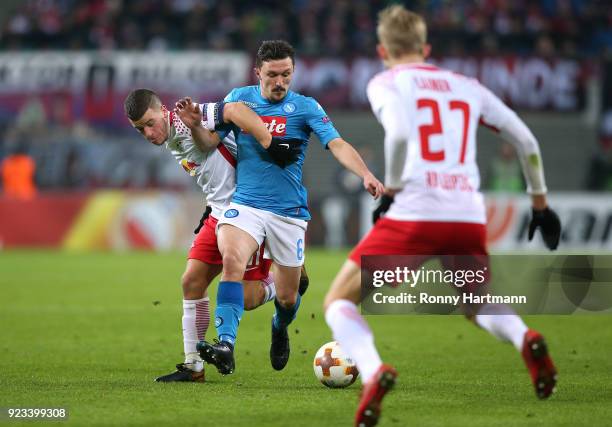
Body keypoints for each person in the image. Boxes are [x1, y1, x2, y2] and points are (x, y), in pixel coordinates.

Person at [322, 6, 562, 427]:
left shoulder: (384, 82)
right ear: (426, 48)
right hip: (466, 214)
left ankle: (374, 371)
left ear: (382, 50)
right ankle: (525, 336)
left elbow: (397, 133)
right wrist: (539, 203)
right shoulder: (465, 85)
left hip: (416, 213)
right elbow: (526, 138)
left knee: (338, 300)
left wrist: (392, 189)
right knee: (475, 302)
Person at [197, 40, 384, 376]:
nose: (280, 82)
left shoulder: (305, 107)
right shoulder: (238, 99)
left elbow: (336, 144)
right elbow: (209, 142)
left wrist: (365, 174)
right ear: (258, 73)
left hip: (289, 213)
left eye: (286, 74)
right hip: (246, 205)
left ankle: (279, 327)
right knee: (232, 260)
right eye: (272, 75)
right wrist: (195, 127)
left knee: (286, 298)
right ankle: (225, 344)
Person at [123, 88, 309, 382]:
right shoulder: (172, 137)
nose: (147, 132)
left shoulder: (186, 118)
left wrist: (268, 141)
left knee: (247, 298)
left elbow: (234, 110)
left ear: (163, 111)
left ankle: (282, 278)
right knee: (191, 281)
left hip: (247, 212)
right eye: (139, 129)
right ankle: (194, 366)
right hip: (217, 212)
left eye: (149, 122)